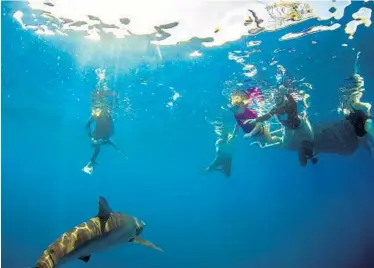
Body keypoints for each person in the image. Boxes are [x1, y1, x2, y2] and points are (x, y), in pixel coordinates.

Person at [246, 86, 316, 167]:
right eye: (275, 98)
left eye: (278, 97)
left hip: (300, 125)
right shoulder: (275, 109)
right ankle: (268, 135)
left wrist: (286, 93)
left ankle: (309, 155)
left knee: (311, 140)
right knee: (284, 143)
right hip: (288, 128)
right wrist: (255, 120)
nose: (276, 100)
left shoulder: (289, 105)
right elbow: (267, 116)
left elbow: (293, 102)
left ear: (282, 97)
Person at [83, 90, 123, 175]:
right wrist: (91, 136)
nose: (107, 109)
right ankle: (92, 162)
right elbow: (87, 125)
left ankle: (92, 162)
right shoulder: (97, 114)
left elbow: (88, 125)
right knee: (98, 148)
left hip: (103, 137)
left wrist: (94, 137)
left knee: (99, 147)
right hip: (98, 136)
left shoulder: (107, 115)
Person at [342, 52, 374, 141]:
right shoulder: (353, 103)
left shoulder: (351, 104)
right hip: (362, 123)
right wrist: (368, 112)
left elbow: (367, 105)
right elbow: (367, 105)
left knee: (362, 134)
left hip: (361, 125)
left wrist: (368, 111)